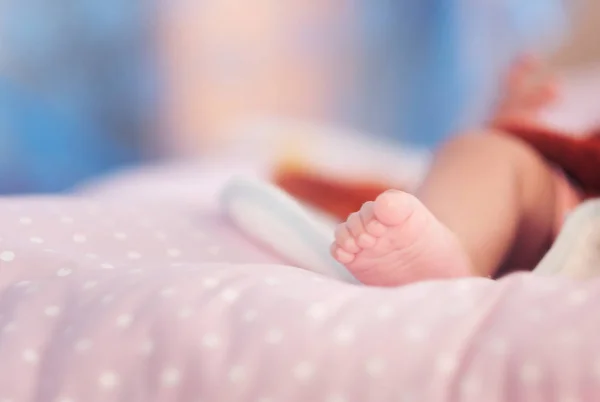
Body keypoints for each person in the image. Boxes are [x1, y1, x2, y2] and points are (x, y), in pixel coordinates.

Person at [330, 56, 588, 286]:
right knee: (487, 152)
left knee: (494, 150)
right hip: (570, 215)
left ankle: (445, 257)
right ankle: (448, 251)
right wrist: (515, 126)